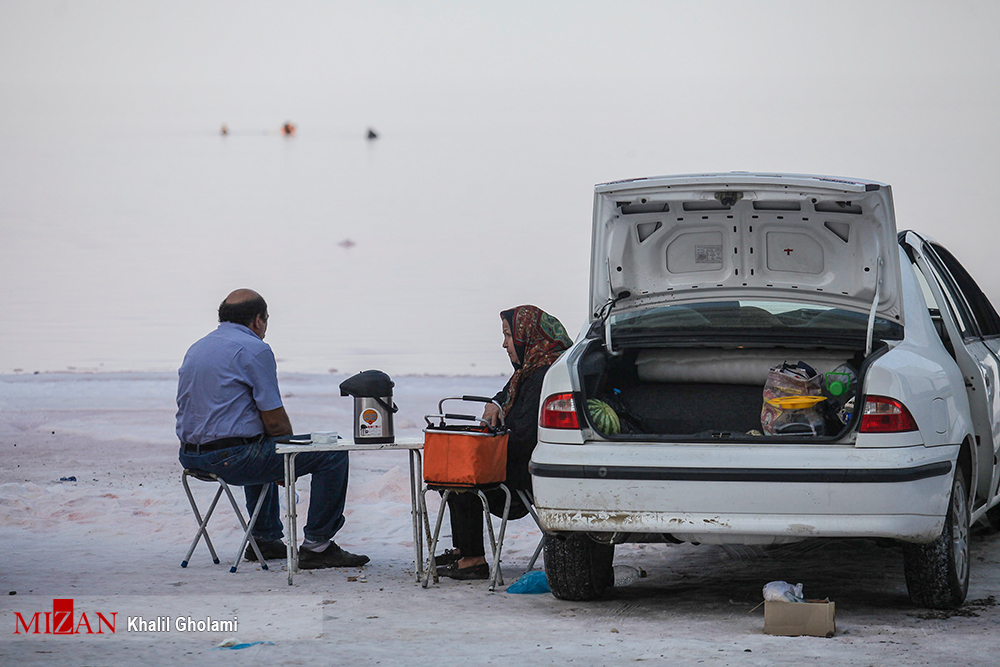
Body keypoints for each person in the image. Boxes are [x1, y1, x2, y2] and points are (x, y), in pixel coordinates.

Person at [176, 289, 368, 569]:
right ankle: (318, 545)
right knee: (333, 451)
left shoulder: (197, 347)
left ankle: (264, 540)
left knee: (259, 441)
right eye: (265, 320)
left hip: (191, 457)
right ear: (258, 320)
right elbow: (276, 420)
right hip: (232, 459)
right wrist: (286, 459)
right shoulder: (255, 349)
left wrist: (279, 455)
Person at [435, 305, 572, 580]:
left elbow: (523, 438)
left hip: (524, 473)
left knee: (463, 480)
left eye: (508, 336)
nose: (504, 344)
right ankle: (464, 549)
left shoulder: (542, 376)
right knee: (456, 473)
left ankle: (473, 559)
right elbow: (505, 394)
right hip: (516, 464)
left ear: (526, 337)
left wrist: (485, 444)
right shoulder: (529, 368)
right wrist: (496, 404)